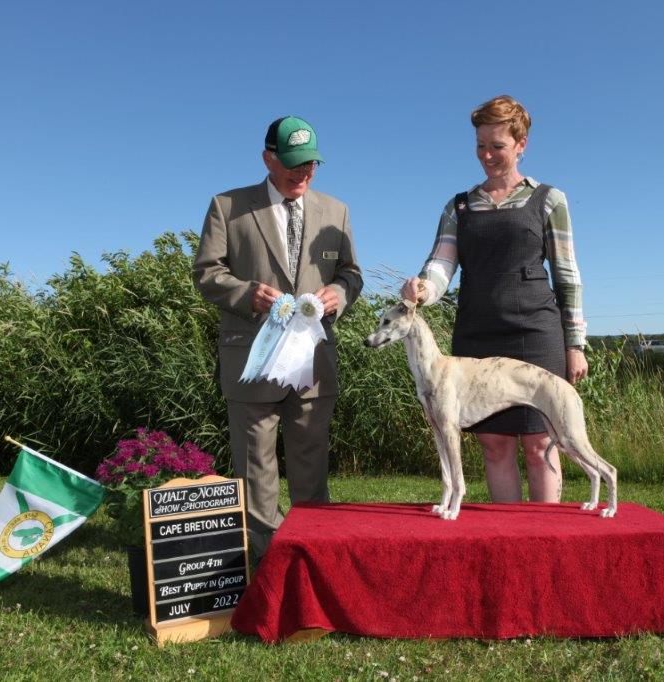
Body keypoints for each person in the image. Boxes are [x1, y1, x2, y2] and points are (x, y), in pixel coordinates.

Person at [402, 95, 587, 504]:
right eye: (480, 146)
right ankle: (509, 549)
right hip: (478, 333)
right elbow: (441, 266)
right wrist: (424, 289)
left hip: (537, 333)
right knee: (494, 445)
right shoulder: (459, 207)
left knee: (541, 445)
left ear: (522, 144)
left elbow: (568, 277)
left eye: (497, 146)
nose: (486, 155)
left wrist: (575, 344)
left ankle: (545, 544)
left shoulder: (549, 200)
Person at [193, 115, 362, 561]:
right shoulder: (227, 206)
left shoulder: (336, 211)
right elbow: (207, 273)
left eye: (310, 164)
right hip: (251, 359)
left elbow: (351, 274)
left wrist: (337, 295)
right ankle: (265, 566)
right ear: (268, 158)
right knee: (255, 471)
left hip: (313, 363)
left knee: (312, 466)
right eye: (292, 164)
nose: (302, 173)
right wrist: (249, 295)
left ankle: (311, 563)